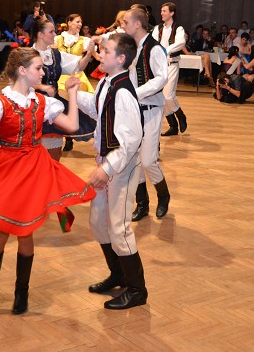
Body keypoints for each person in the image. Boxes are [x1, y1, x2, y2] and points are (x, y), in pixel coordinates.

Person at [0, 47, 95, 314]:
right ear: (23, 71)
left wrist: (71, 93)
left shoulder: (42, 102)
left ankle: (21, 292)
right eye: (38, 68)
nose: (43, 72)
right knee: (2, 230)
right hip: (9, 168)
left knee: (26, 230)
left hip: (35, 168)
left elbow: (71, 126)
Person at [76, 33, 148, 310]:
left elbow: (131, 141)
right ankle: (118, 274)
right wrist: (70, 94)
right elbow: (98, 109)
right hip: (108, 163)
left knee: (119, 227)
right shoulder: (108, 82)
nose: (101, 54)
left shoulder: (124, 92)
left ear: (121, 59)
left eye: (107, 51)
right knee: (98, 222)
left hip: (122, 167)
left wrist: (106, 169)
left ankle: (137, 289)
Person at [121, 7, 171, 221]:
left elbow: (161, 78)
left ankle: (163, 195)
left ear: (137, 24)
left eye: (125, 22)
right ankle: (142, 204)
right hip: (133, 109)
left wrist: (136, 93)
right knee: (134, 159)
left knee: (149, 160)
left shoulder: (154, 48)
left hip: (151, 108)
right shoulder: (131, 46)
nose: (122, 25)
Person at [31, 18, 95, 161]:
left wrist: (89, 54)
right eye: (51, 32)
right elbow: (19, 80)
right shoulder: (28, 54)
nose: (55, 34)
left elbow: (78, 66)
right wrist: (41, 87)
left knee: (55, 152)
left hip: (54, 106)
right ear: (40, 34)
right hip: (33, 107)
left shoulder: (55, 54)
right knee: (36, 153)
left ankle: (51, 173)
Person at [54, 13, 96, 152]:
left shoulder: (84, 40)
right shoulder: (58, 39)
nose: (80, 24)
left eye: (81, 22)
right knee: (62, 106)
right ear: (69, 22)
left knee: (78, 107)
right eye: (77, 21)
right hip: (61, 76)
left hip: (77, 76)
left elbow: (95, 55)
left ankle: (80, 132)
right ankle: (67, 137)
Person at [152, 2, 187, 137]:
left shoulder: (178, 28)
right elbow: (153, 43)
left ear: (172, 13)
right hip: (159, 66)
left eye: (164, 11)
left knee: (168, 96)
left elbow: (181, 42)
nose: (162, 13)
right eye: (161, 11)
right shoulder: (158, 28)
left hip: (171, 64)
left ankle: (180, 114)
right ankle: (173, 126)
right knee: (161, 97)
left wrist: (165, 50)